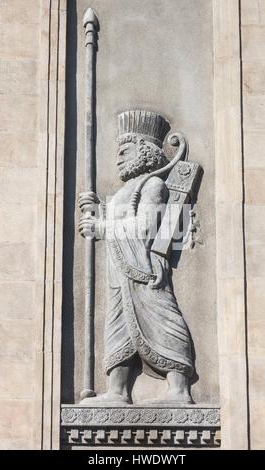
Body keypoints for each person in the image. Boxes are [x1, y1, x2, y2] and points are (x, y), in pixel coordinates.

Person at [79, 110, 195, 404]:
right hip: (119, 270)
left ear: (144, 151)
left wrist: (101, 227)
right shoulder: (124, 191)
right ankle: (117, 391)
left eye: (124, 150)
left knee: (162, 320)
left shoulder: (152, 185)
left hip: (144, 268)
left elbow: (144, 227)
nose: (117, 157)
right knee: (118, 326)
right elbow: (118, 220)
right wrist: (95, 211)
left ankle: (179, 391)